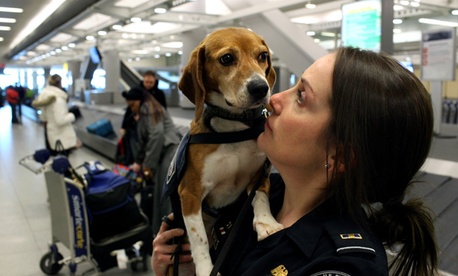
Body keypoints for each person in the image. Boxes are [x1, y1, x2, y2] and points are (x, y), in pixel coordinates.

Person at [151, 47, 438, 276]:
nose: (273, 98)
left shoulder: (340, 265)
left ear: (338, 156)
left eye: (301, 96)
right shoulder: (254, 197)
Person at [122, 87, 181, 235]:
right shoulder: (146, 109)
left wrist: (148, 165)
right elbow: (145, 140)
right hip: (165, 154)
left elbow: (156, 135)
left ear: (139, 101)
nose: (132, 108)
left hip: (169, 154)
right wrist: (139, 161)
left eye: (133, 105)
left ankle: (170, 235)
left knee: (167, 198)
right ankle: (162, 233)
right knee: (161, 196)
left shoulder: (148, 108)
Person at [32, 74, 78, 156]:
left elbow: (43, 111)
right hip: (61, 135)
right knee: (62, 161)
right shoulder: (58, 98)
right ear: (60, 83)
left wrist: (44, 120)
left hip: (51, 129)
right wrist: (72, 115)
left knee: (54, 156)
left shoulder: (45, 93)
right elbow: (60, 120)